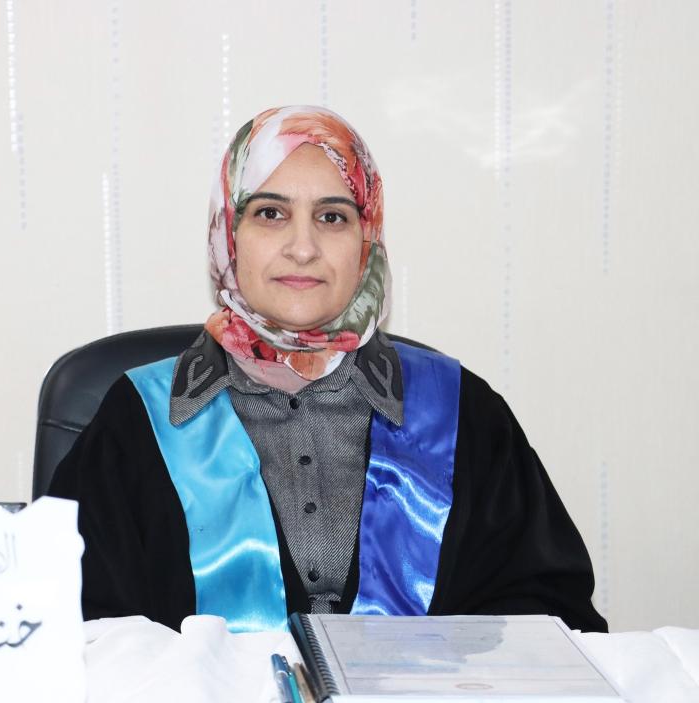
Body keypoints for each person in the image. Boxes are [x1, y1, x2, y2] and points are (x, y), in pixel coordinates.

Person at [48, 105, 607, 634]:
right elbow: (78, 630)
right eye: (270, 213)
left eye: (332, 217)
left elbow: (548, 618)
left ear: (366, 241)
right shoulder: (137, 421)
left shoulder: (462, 414)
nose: (303, 247)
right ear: (228, 234)